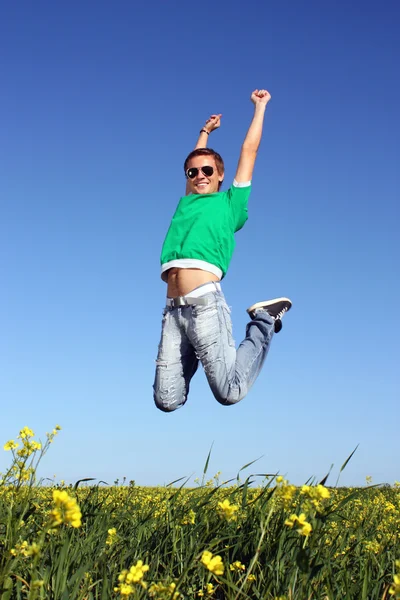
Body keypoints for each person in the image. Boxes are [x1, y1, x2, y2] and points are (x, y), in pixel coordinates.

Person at [153, 89, 292, 412]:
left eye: (207, 171)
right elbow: (195, 160)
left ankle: (264, 320)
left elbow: (249, 151)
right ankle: (206, 352)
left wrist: (260, 107)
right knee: (167, 400)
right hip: (173, 311)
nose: (200, 176)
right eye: (193, 173)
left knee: (229, 391)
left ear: (220, 177)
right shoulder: (187, 202)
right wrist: (204, 132)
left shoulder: (230, 204)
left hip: (205, 306)